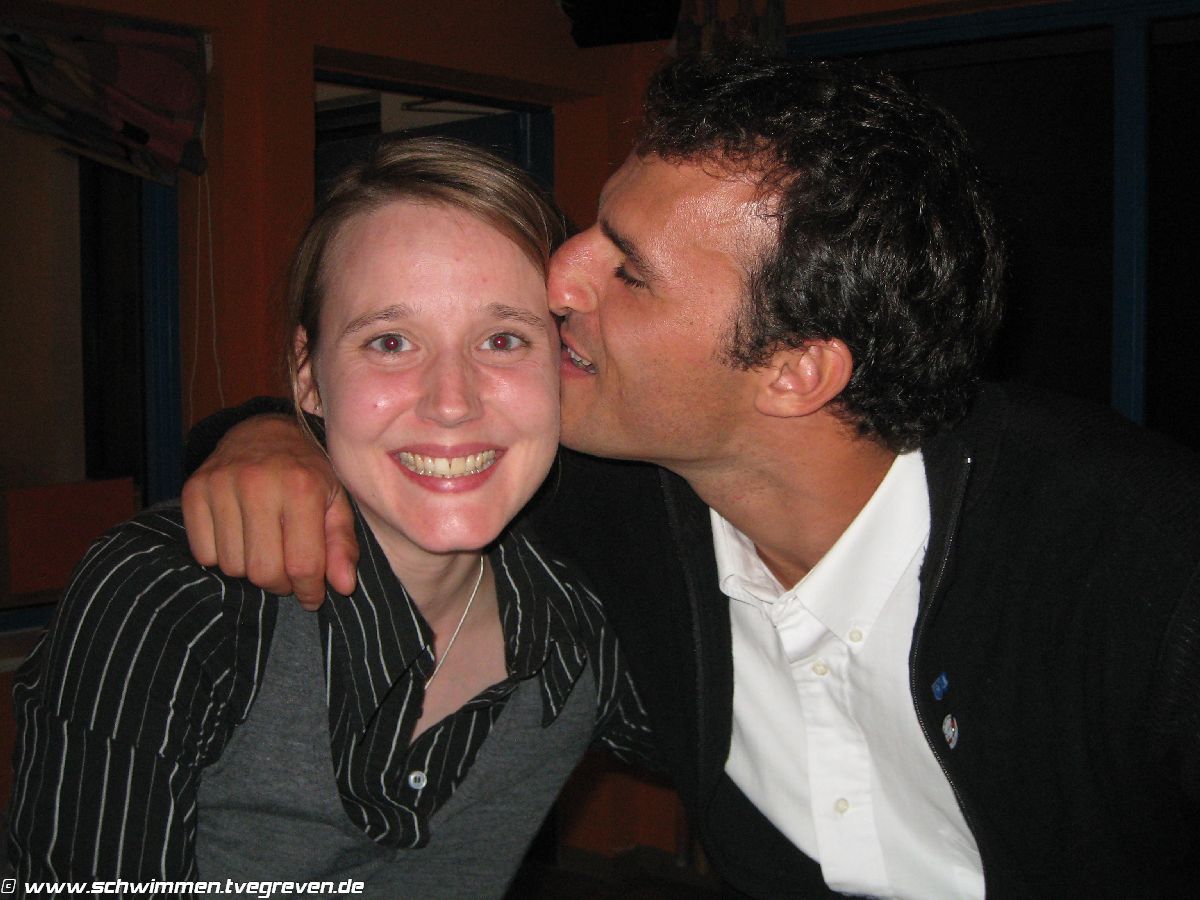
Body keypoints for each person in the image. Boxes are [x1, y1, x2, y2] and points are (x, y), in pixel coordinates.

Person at [181, 50, 1200, 898]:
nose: (557, 278)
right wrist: (267, 435)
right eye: (591, 227)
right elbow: (390, 422)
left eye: (627, 270)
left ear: (796, 371)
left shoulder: (1145, 570)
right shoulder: (602, 494)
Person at [8, 136, 649, 896]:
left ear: (563, 366)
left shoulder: (587, 628)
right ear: (308, 376)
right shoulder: (173, 598)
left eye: (503, 339)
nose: (452, 401)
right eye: (390, 342)